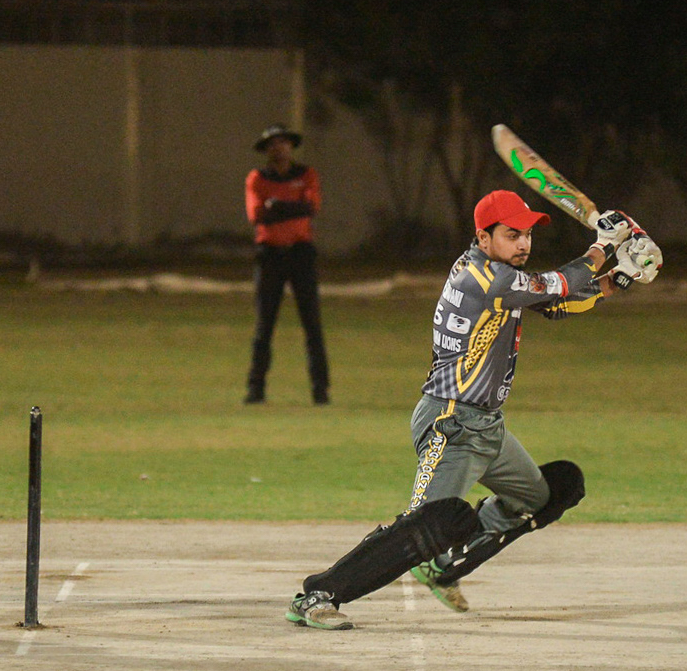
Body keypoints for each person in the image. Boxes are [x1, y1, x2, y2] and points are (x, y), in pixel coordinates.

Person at [285, 190, 663, 629]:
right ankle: (318, 595)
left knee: (543, 496)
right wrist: (604, 246)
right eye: (512, 235)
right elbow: (558, 283)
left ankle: (444, 566)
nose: (523, 244)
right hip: (451, 423)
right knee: (427, 526)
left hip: (486, 426)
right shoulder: (485, 280)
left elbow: (559, 304)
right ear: (483, 238)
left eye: (527, 235)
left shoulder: (503, 277)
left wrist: (621, 278)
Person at [244, 124, 330, 405]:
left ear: (291, 147)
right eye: (273, 143)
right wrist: (291, 208)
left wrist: (276, 206)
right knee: (264, 325)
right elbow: (257, 215)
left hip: (300, 254)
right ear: (266, 150)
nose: (279, 148)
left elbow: (311, 208)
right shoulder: (257, 178)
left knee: (312, 324)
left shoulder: (306, 175)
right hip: (269, 255)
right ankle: (255, 389)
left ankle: (320, 390)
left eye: (283, 142)